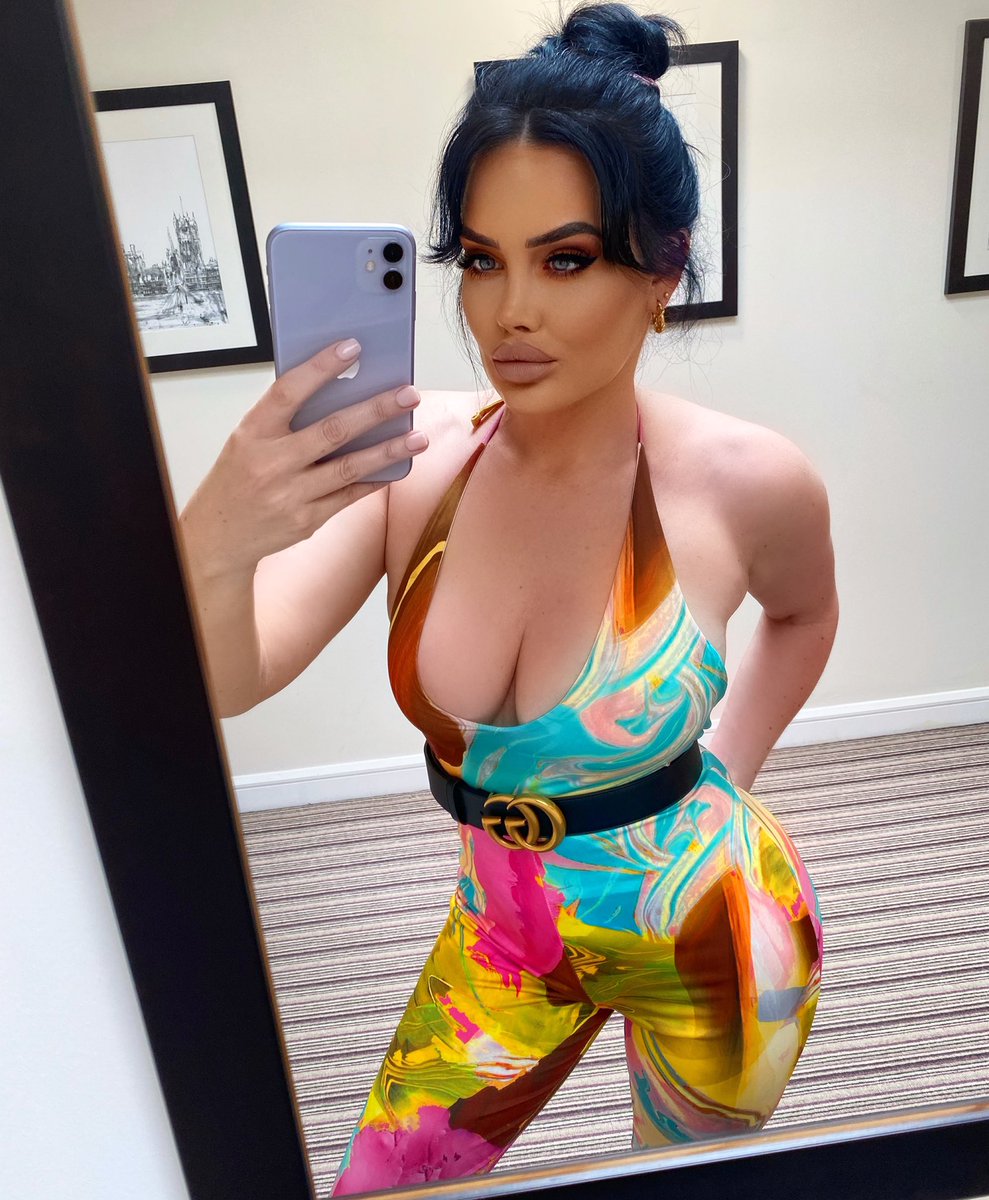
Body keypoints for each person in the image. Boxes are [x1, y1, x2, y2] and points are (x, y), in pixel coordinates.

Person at [180, 4, 837, 1193]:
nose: (507, 311)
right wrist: (216, 541)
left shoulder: (745, 482)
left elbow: (803, 616)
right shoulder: (413, 460)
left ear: (663, 270)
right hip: (503, 934)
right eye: (480, 260)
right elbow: (235, 676)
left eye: (564, 259)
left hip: (713, 934)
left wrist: (726, 769)